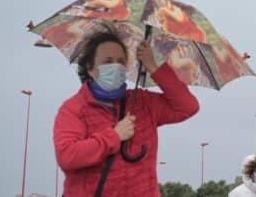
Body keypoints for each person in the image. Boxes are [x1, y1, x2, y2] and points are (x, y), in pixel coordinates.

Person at [53, 31, 199, 197]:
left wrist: (153, 67)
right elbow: (67, 156)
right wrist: (114, 136)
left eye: (121, 61)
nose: (116, 66)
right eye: (107, 61)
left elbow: (188, 106)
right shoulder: (74, 109)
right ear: (90, 68)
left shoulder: (143, 102)